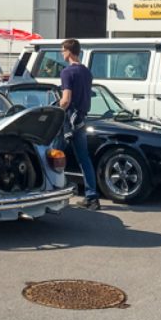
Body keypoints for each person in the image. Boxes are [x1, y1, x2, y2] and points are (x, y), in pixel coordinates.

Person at [58, 39, 99, 210]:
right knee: (84, 159)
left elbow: (66, 100)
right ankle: (92, 197)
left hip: (68, 121)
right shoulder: (87, 72)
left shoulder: (67, 72)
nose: (61, 53)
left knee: (51, 155)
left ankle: (51, 191)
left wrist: (56, 109)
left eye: (62, 50)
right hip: (81, 120)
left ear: (69, 51)